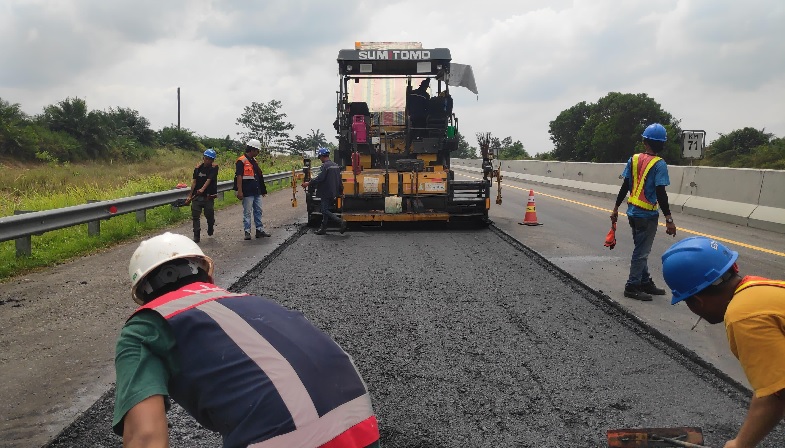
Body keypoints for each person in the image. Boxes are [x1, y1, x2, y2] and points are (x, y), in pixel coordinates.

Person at [114, 232, 381, 448]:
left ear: (145, 293)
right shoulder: (251, 301)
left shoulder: (146, 325)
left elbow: (146, 437)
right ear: (206, 273)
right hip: (361, 427)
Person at [662, 236, 785, 448]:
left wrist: (740, 444)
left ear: (697, 301)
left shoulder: (743, 316)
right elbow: (772, 386)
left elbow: (779, 395)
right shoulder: (758, 288)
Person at [610, 123, 677, 301]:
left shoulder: (633, 159)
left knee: (641, 249)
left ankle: (645, 281)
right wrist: (669, 219)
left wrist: (616, 207)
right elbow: (661, 193)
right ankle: (632, 286)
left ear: (644, 141)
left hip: (632, 212)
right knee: (641, 252)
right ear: (662, 144)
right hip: (647, 215)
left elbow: (625, 185)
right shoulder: (659, 164)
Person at [302, 147, 347, 235]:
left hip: (325, 192)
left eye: (320, 157)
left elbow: (320, 178)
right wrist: (341, 192)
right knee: (325, 209)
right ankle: (323, 228)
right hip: (333, 192)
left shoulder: (325, 166)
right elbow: (339, 180)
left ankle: (340, 221)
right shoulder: (335, 165)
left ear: (322, 156)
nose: (320, 159)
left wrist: (308, 183)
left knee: (324, 210)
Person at [235, 139, 270, 240]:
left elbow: (258, 176)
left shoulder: (254, 161)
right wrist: (240, 191)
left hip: (256, 191)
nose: (258, 153)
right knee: (247, 212)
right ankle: (247, 232)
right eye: (257, 151)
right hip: (247, 191)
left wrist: (262, 190)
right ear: (252, 149)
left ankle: (259, 230)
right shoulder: (241, 161)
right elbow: (239, 176)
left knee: (258, 211)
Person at [184, 148, 218, 243]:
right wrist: (190, 195)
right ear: (203, 158)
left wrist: (202, 189)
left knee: (209, 215)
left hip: (208, 196)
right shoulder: (198, 168)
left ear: (212, 160)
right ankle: (196, 234)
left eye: (210, 159)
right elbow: (194, 182)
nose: (207, 160)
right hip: (197, 196)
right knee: (195, 216)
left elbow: (209, 179)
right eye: (206, 158)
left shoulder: (214, 168)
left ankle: (210, 226)